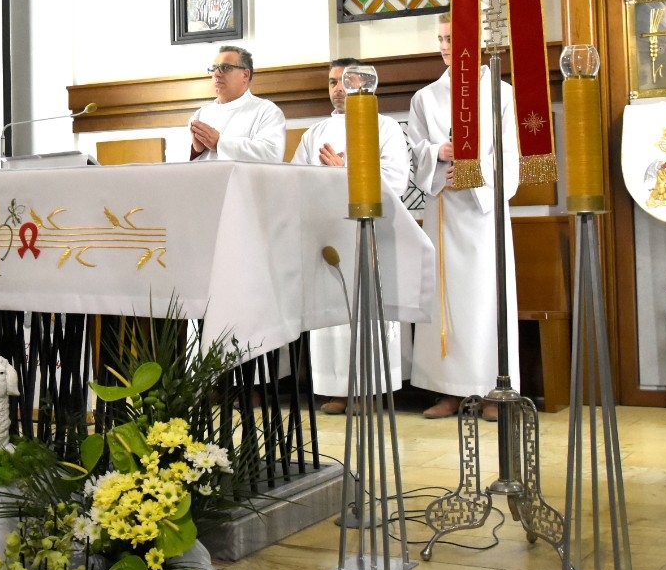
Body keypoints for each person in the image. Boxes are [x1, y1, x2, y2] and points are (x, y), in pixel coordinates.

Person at [407, 23, 520, 420]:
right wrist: (437, 153)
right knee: (446, 300)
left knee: (485, 298)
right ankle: (450, 391)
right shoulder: (425, 97)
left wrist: (474, 172)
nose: (444, 45)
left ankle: (492, 390)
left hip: (483, 213)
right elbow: (415, 152)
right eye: (439, 38)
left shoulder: (501, 93)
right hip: (444, 208)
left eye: (451, 38)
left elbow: (509, 153)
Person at [291, 58, 412, 413]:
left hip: (371, 228)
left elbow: (397, 178)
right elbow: (296, 179)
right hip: (328, 230)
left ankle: (371, 390)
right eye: (332, 82)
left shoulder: (385, 126)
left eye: (345, 81)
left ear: (365, 83)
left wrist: (346, 169)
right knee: (334, 311)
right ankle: (338, 388)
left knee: (368, 308)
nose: (338, 89)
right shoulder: (314, 133)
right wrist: (326, 176)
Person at [188, 45, 286, 162]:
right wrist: (195, 151)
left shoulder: (267, 111)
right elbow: (179, 164)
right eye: (214, 68)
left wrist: (220, 143)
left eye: (225, 67)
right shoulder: (200, 114)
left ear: (245, 75)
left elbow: (271, 156)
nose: (216, 74)